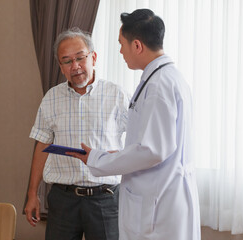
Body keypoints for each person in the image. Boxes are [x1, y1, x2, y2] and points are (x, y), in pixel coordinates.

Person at [69, 9, 201, 240]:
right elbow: (154, 144)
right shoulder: (165, 78)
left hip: (157, 207)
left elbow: (152, 151)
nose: (120, 51)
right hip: (163, 197)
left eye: (122, 44)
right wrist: (114, 155)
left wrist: (99, 159)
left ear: (137, 45)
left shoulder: (159, 85)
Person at [24, 27, 130, 240]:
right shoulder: (51, 98)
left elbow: (140, 143)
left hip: (106, 198)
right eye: (67, 61)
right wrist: (32, 194)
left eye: (80, 58)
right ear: (60, 66)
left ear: (94, 57)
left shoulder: (117, 95)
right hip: (63, 200)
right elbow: (42, 145)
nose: (76, 66)